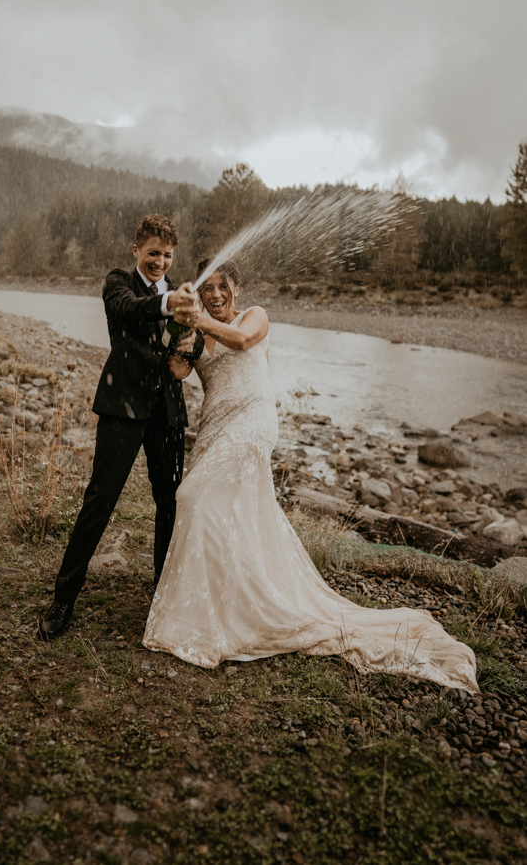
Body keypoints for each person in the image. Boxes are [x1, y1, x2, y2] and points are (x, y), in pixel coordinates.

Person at [143, 259, 479, 692]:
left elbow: (244, 342)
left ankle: (214, 612)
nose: (214, 295)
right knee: (226, 514)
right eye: (207, 290)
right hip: (214, 427)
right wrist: (177, 327)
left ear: (237, 288)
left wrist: (203, 322)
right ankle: (223, 604)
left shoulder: (253, 317)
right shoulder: (198, 332)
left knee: (191, 497)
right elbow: (177, 370)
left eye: (222, 287)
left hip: (252, 423)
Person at [38, 214, 202, 641]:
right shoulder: (118, 283)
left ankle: (162, 599)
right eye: (153, 254)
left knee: (170, 502)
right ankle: (63, 599)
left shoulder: (181, 291)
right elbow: (130, 310)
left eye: (167, 256)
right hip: (121, 408)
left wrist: (190, 348)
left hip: (167, 412)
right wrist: (169, 306)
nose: (160, 263)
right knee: (100, 499)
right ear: (136, 250)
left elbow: (198, 339)